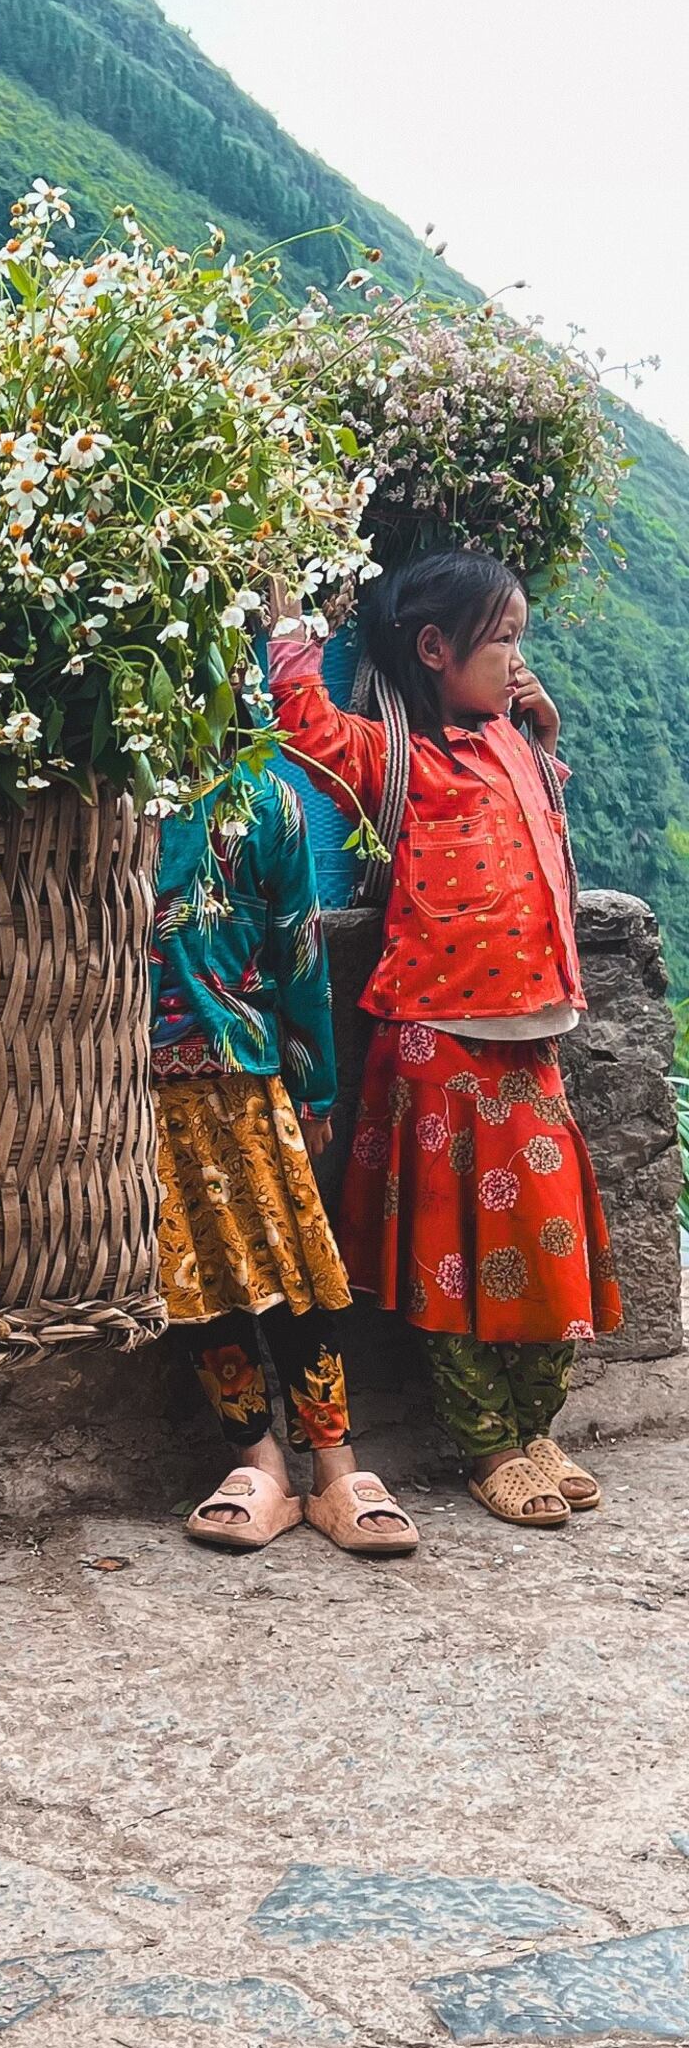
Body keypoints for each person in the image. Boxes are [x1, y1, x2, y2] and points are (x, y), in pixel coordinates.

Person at [270, 551, 621, 1528]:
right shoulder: (404, 761)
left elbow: (542, 837)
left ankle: (532, 1421)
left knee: (552, 1246)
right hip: (439, 1047)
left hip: (529, 1039)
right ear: (433, 648)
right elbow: (305, 726)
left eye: (519, 638)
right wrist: (289, 620)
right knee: (453, 1265)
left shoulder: (515, 745)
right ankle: (490, 1446)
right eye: (501, 639)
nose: (518, 659)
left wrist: (542, 737)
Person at [152, 749, 417, 1555]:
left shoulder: (263, 796)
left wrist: (313, 1087)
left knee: (293, 1265)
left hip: (242, 1074)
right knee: (192, 1278)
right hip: (139, 1082)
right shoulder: (111, 796)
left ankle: (336, 1469)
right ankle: (258, 1463)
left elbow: (298, 948)